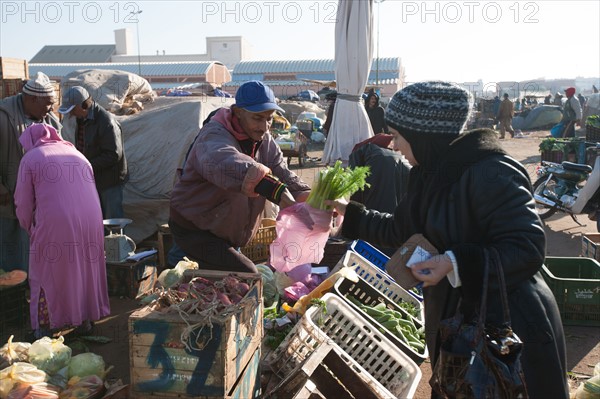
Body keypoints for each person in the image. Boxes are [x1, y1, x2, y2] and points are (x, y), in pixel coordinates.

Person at [327, 81, 569, 398]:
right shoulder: (428, 173)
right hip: (457, 321)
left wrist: (453, 262)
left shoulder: (492, 171)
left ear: (425, 137)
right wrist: (347, 214)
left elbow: (526, 248)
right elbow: (400, 231)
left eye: (398, 137)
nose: (394, 146)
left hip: (507, 328)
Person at [169, 80, 311, 273]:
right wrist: (279, 192)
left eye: (269, 119)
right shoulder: (213, 136)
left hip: (225, 230)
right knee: (245, 274)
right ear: (237, 112)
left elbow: (282, 172)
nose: (265, 126)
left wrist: (308, 195)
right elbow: (229, 164)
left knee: (225, 284)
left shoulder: (264, 140)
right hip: (195, 229)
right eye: (257, 118)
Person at [14, 123, 110, 338]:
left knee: (45, 272)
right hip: (92, 219)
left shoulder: (31, 158)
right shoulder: (77, 154)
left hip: (56, 222)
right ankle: (84, 321)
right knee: (83, 269)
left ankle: (44, 328)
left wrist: (29, 226)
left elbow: (22, 202)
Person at [0, 72, 62, 272]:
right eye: (47, 103)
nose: (51, 108)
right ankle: (14, 287)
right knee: (11, 244)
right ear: (32, 99)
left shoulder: (48, 119)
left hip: (40, 201)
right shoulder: (3, 118)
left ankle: (31, 282)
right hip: (8, 196)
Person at [58, 86, 128, 219]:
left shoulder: (106, 122)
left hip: (109, 181)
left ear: (83, 105)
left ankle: (115, 241)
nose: (71, 114)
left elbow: (113, 155)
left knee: (112, 221)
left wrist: (85, 165)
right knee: (96, 219)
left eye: (72, 109)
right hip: (92, 178)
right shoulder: (80, 119)